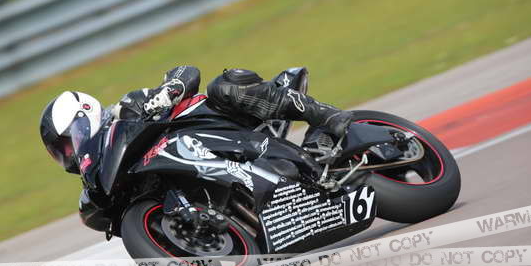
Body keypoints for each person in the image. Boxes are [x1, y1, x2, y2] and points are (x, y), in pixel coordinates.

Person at [40, 65, 352, 175]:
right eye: (60, 153)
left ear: (85, 119)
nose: (69, 155)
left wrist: (167, 92)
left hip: (226, 122)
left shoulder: (128, 107)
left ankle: (328, 116)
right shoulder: (109, 167)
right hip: (208, 164)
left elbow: (187, 71)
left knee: (224, 86)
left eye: (67, 145)